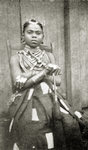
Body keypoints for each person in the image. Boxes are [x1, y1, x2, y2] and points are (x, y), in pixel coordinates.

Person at [9, 19, 61, 150]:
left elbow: (58, 81)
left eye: (38, 33)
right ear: (23, 36)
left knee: (68, 122)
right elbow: (20, 84)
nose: (34, 35)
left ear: (43, 37)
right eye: (29, 32)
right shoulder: (16, 58)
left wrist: (28, 74)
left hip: (49, 95)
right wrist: (44, 72)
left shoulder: (49, 56)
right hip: (25, 98)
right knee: (31, 124)